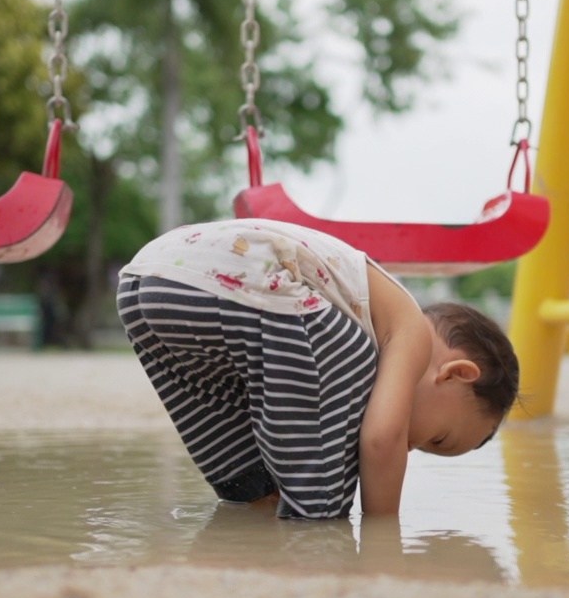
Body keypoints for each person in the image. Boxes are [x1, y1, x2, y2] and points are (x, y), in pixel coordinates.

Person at [115, 218, 519, 520]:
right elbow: (382, 439)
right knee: (354, 372)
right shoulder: (411, 329)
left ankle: (252, 496)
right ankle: (316, 519)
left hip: (148, 282)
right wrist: (383, 531)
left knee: (228, 416)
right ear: (454, 373)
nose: (411, 447)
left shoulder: (365, 305)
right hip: (242, 281)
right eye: (439, 438)